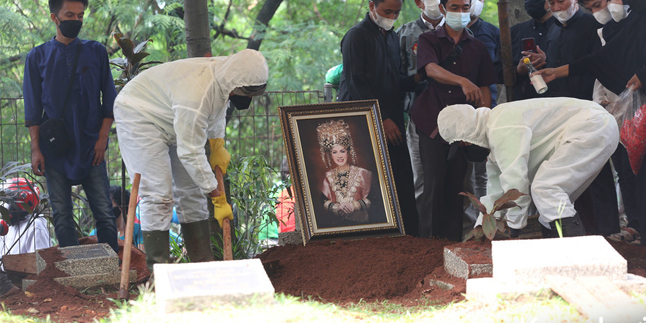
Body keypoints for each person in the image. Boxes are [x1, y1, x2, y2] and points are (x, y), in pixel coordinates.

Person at [113, 49, 268, 272]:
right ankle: (160, 272)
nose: (248, 99)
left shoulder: (225, 78)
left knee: (192, 193)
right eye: (245, 93)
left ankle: (203, 266)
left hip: (172, 116)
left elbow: (215, 111)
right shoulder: (197, 93)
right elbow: (190, 151)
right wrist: (216, 196)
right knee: (158, 194)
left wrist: (217, 144)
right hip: (139, 114)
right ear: (234, 85)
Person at [538, 0, 646, 244]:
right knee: (628, 170)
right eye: (592, 8)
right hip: (623, 110)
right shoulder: (611, 30)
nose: (598, 12)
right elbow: (598, 61)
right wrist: (557, 72)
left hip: (635, 105)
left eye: (600, 4)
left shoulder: (639, 20)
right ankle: (636, 225)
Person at [437, 98, 619, 237]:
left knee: (546, 188)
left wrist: (514, 229)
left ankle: (577, 259)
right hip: (595, 127)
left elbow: (516, 186)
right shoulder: (494, 136)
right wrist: (481, 230)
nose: (466, 149)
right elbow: (496, 193)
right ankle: (564, 252)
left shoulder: (501, 126)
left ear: (468, 133)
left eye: (462, 144)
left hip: (592, 125)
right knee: (552, 202)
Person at [23, 0, 119, 254]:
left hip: (91, 146)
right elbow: (32, 110)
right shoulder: (37, 57)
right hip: (55, 149)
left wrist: (102, 138)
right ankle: (73, 271)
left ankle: (111, 267)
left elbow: (109, 98)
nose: (76, 20)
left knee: (105, 213)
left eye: (80, 15)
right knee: (62, 215)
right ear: (55, 17)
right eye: (69, 15)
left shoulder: (96, 52)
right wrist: (36, 149)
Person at [411, 0, 497, 241]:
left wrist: (480, 125)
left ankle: (452, 243)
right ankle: (428, 244)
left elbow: (485, 86)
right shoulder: (429, 40)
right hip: (432, 120)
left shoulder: (478, 46)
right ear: (442, 8)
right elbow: (431, 70)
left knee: (457, 185)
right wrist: (462, 81)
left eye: (465, 7)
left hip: (464, 125)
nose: (460, 12)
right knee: (434, 182)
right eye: (455, 7)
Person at [338, 0, 421, 236]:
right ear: (372, 6)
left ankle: (409, 236)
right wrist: (380, 118)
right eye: (387, 11)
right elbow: (356, 84)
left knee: (401, 177)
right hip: (362, 121)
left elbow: (392, 81)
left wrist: (416, 81)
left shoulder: (392, 37)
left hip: (391, 118)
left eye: (397, 12)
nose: (392, 16)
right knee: (365, 182)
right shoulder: (356, 36)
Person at [397, 0, 445, 219]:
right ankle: (421, 232)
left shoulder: (460, 33)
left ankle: (463, 233)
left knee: (457, 178)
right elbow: (396, 77)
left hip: (452, 114)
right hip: (418, 115)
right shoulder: (403, 34)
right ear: (419, 2)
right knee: (421, 176)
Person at [316, 119, 374, 227]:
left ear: (348, 152)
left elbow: (374, 198)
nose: (339, 156)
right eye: (335, 152)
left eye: (342, 151)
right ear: (331, 155)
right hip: (337, 226)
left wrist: (355, 206)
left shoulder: (363, 174)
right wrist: (336, 207)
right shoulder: (328, 177)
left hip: (362, 226)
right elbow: (323, 200)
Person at [509, 0, 555, 100]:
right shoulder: (513, 33)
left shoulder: (564, 29)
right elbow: (498, 71)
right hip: (525, 103)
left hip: (561, 101)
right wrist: (518, 70)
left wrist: (548, 60)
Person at [0, 178, 52, 257]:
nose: (5, 206)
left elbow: (42, 264)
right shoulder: (8, 226)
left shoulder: (35, 226)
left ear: (21, 203)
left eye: (7, 201)